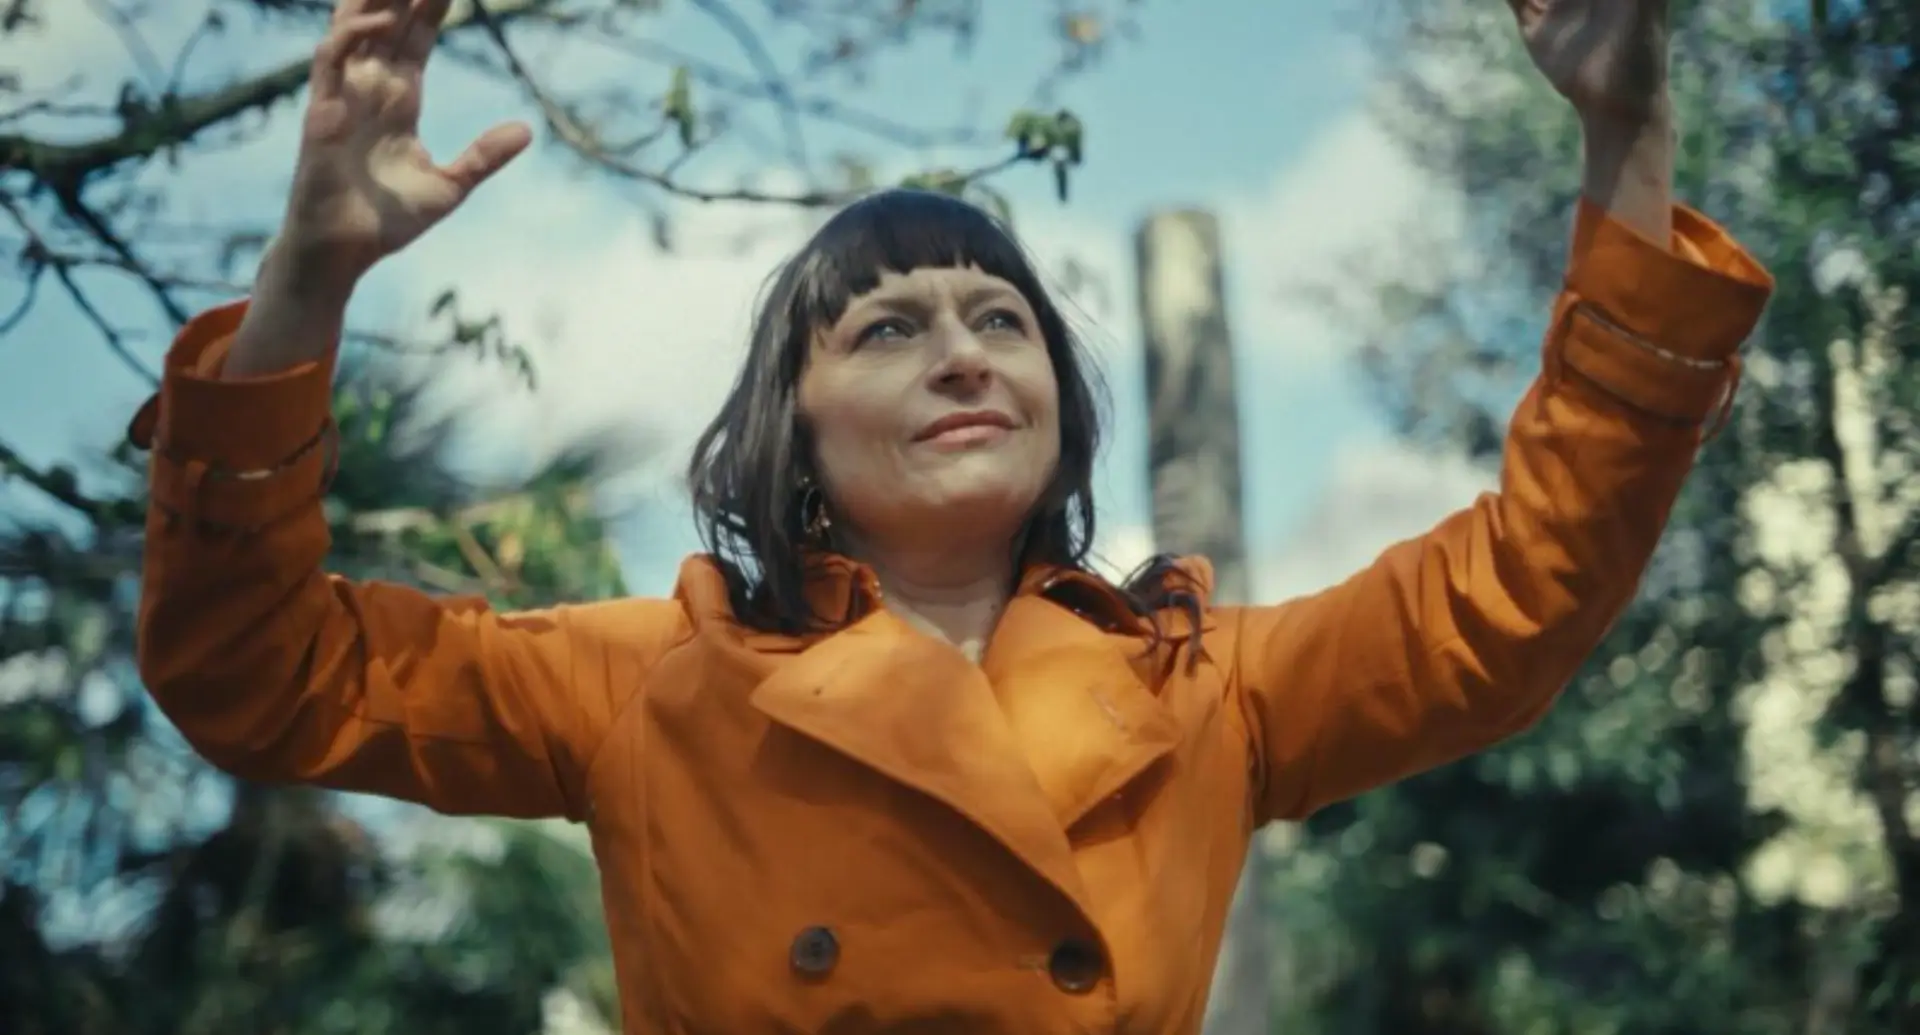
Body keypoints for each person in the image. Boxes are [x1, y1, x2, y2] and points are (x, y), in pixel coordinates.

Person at [127, 0, 1772, 1031]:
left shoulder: (1206, 691)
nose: (965, 354)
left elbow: (1528, 586)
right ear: (796, 423)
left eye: (1002, 318)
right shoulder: (650, 682)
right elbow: (254, 671)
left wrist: (1625, 133)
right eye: (889, 327)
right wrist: (308, 276)